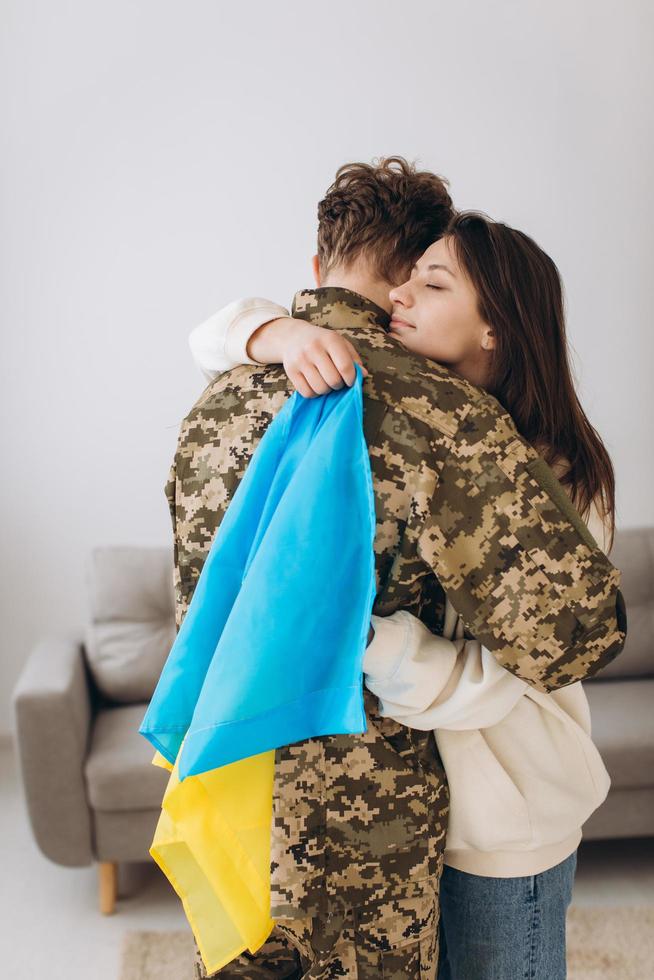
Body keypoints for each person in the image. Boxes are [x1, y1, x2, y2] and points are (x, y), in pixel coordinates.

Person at [168, 158, 626, 979]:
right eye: (412, 281)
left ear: (496, 326)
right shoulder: (431, 416)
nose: (408, 299)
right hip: (395, 812)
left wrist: (358, 637)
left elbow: (537, 664)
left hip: (486, 820)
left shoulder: (219, 404)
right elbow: (576, 634)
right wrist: (275, 329)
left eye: (436, 285)